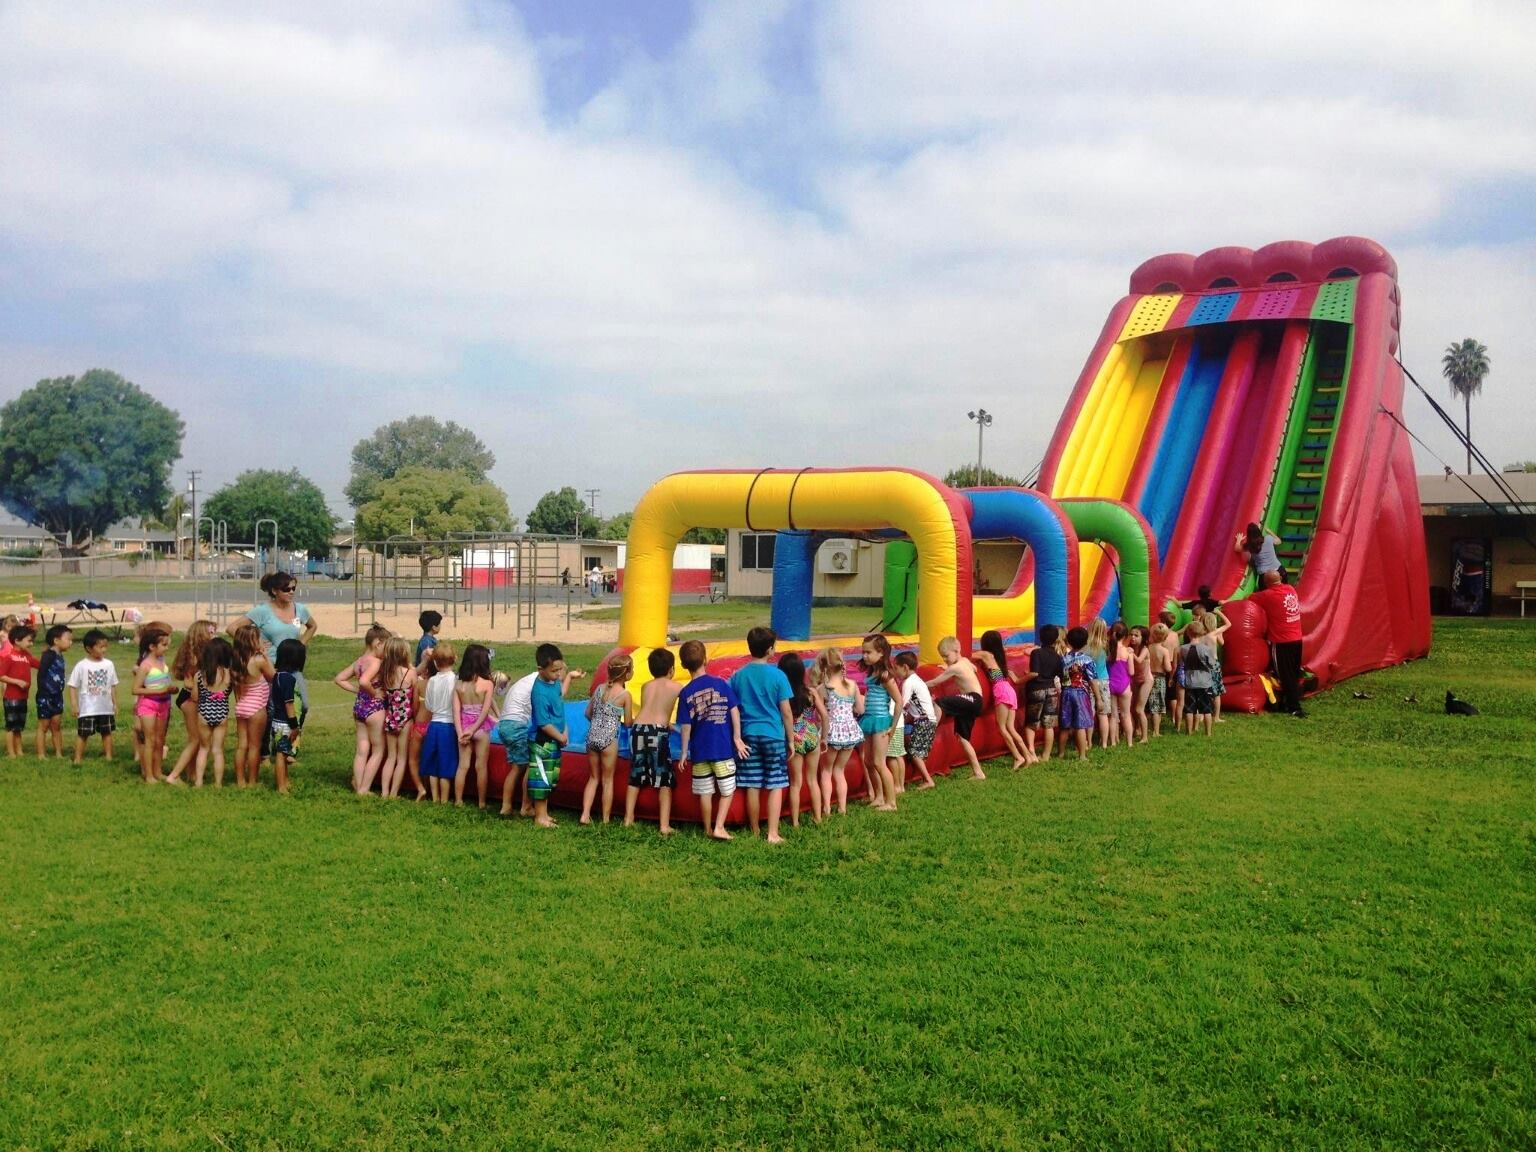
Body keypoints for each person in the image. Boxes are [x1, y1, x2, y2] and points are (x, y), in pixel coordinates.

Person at [730, 626, 795, 840]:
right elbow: (786, 711)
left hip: (748, 734)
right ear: (770, 650)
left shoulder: (739, 676)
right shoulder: (778, 676)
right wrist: (791, 740)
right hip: (773, 734)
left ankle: (755, 830)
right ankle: (773, 833)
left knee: (752, 782)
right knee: (776, 782)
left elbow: (733, 705)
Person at [677, 640, 745, 841]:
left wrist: (683, 753)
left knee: (705, 792)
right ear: (706, 660)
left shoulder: (686, 692)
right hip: (722, 748)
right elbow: (734, 712)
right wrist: (737, 737)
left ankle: (707, 828)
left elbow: (686, 727)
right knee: (727, 790)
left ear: (683, 665)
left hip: (700, 751)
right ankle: (719, 826)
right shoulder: (720, 684)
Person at [624, 648, 683, 834]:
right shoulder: (677, 686)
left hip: (638, 729)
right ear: (671, 670)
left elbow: (652, 708)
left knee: (636, 774)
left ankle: (628, 818)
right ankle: (664, 825)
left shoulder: (646, 686)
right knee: (664, 778)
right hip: (657, 732)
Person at [528, 643, 582, 828]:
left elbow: (561, 692)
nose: (558, 674)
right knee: (541, 777)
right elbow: (543, 723)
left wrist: (569, 677)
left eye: (560, 669)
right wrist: (561, 737)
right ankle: (539, 817)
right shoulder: (539, 691)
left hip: (556, 739)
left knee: (550, 777)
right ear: (540, 669)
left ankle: (544, 813)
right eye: (554, 671)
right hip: (543, 742)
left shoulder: (552, 682)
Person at [336, 624, 390, 796]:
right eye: (385, 647)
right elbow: (364, 682)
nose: (386, 652)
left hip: (359, 707)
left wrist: (358, 691)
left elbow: (339, 679)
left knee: (361, 750)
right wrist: (375, 694)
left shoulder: (359, 661)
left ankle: (358, 785)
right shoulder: (376, 662)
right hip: (374, 709)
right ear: (377, 643)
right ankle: (364, 789)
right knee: (378, 750)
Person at [582, 654, 633, 825]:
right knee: (607, 780)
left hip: (592, 736)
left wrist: (598, 723)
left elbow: (587, 713)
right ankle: (605, 819)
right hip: (609, 739)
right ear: (627, 674)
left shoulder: (599, 689)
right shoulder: (625, 695)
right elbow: (627, 724)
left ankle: (585, 815)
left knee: (593, 778)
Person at [777, 652, 827, 826]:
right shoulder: (811, 692)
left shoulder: (783, 694)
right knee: (813, 781)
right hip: (812, 734)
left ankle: (795, 822)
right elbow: (825, 716)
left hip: (795, 737)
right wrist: (824, 738)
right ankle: (817, 818)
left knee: (796, 783)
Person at [854, 633, 902, 810]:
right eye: (863, 652)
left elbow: (899, 701)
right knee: (868, 762)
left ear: (881, 653)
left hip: (881, 722)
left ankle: (891, 802)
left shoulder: (885, 675)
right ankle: (879, 796)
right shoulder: (873, 671)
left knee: (879, 763)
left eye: (868, 652)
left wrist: (893, 726)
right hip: (870, 720)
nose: (864, 656)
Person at [165, 621, 216, 786]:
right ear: (202, 635)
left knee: (197, 739)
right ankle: (173, 775)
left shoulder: (197, 653)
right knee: (195, 740)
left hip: (190, 698)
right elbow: (188, 683)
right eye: (211, 632)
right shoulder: (195, 658)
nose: (214, 635)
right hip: (190, 699)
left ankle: (191, 774)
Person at [929, 637, 987, 780]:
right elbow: (973, 668)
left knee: (939, 702)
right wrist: (949, 668)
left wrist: (916, 684)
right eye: (942, 657)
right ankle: (978, 772)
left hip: (972, 699)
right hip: (974, 701)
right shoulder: (965, 662)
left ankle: (930, 731)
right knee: (962, 738)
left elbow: (935, 682)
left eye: (946, 656)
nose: (944, 659)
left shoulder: (956, 668)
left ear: (956, 651)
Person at [1249, 569, 1305, 717]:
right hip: (1297, 638)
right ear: (1280, 578)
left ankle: (1294, 707)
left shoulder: (1267, 595)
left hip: (1282, 641)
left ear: (1266, 583)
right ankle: (1291, 700)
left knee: (1284, 674)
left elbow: (1249, 599)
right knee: (1292, 672)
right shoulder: (1290, 589)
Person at [977, 630, 1033, 770]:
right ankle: (1028, 756)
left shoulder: (986, 654)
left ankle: (1018, 757)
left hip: (1001, 690)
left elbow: (965, 655)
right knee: (1010, 728)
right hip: (1009, 690)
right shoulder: (999, 657)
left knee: (1002, 728)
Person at [816, 647, 862, 816]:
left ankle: (827, 807)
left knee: (826, 771)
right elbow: (860, 709)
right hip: (850, 732)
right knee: (839, 770)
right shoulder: (852, 685)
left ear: (825, 666)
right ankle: (842, 808)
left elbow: (820, 715)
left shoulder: (824, 688)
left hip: (832, 733)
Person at [452, 644, 497, 809]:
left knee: (462, 766)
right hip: (480, 728)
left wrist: (460, 732)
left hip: (463, 727)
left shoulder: (458, 685)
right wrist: (474, 729)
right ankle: (482, 802)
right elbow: (485, 711)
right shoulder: (487, 684)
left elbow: (456, 711)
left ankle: (458, 800)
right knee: (481, 766)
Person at [230, 623, 274, 788]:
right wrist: (266, 655)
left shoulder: (236, 661)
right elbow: (273, 677)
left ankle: (240, 781)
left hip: (241, 707)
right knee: (255, 746)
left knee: (242, 746)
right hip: (256, 709)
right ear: (251, 642)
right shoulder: (258, 660)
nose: (261, 641)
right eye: (258, 639)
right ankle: (252, 781)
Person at [233, 572, 317, 657]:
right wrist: (253, 645)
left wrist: (300, 646)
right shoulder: (262, 611)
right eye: (286, 589)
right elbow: (232, 628)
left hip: (292, 665)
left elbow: (312, 626)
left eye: (293, 588)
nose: (291, 592)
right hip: (268, 665)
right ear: (274, 591)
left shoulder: (300, 609)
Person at [416, 643, 460, 804]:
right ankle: (444, 799)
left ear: (435, 662)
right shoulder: (455, 680)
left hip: (434, 724)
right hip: (448, 725)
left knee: (433, 764)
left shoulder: (432, 681)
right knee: (446, 765)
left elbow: (429, 705)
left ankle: (434, 798)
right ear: (455, 659)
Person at [129, 626, 173, 782]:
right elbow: (136, 689)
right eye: (164, 645)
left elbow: (164, 681)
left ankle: (158, 770)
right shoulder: (145, 665)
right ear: (152, 646)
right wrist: (160, 691)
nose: (167, 648)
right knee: (150, 740)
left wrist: (169, 689)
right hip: (148, 705)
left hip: (164, 704)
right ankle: (148, 774)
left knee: (160, 740)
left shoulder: (162, 661)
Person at [375, 637, 417, 799]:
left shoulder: (385, 673)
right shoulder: (410, 673)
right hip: (406, 718)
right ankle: (393, 793)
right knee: (401, 759)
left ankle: (384, 792)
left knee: (390, 757)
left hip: (390, 717)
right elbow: (414, 701)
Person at [68, 628, 118, 765]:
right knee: (83, 733)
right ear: (89, 648)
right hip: (87, 708)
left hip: (105, 707)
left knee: (107, 732)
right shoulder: (82, 665)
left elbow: (112, 685)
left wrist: (115, 703)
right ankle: (77, 758)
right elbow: (72, 685)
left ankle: (108, 756)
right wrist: (74, 704)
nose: (104, 650)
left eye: (105, 646)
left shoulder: (109, 664)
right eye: (101, 647)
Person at [194, 637, 236, 786]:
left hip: (203, 714)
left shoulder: (200, 675)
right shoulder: (229, 674)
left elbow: (194, 696)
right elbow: (230, 691)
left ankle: (198, 782)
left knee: (204, 748)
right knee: (218, 750)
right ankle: (218, 784)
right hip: (222, 713)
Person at [893, 650, 937, 790]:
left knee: (914, 752)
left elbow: (902, 703)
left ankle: (928, 780)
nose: (895, 672)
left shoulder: (908, 683)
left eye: (896, 668)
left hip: (923, 721)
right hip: (929, 720)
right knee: (919, 751)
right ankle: (924, 777)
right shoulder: (918, 679)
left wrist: (896, 721)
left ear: (905, 667)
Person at [269, 639, 307, 794]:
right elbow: (289, 704)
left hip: (276, 720)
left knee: (283, 754)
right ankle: (281, 786)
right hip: (285, 723)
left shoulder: (277, 675)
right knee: (281, 755)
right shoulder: (289, 679)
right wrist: (294, 725)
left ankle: (285, 780)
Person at [1022, 624, 1063, 763]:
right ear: (1056, 639)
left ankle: (1031, 752)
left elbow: (1034, 673)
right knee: (1049, 724)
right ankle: (1046, 755)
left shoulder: (1036, 653)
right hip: (1051, 690)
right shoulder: (1057, 656)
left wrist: (1019, 679)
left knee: (1031, 723)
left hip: (1037, 689)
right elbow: (1058, 674)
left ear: (1040, 637)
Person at [1059, 626, 1097, 762]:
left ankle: (1061, 753)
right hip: (1081, 693)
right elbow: (1092, 680)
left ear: (1068, 642)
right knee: (1080, 725)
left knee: (1065, 724)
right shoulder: (1087, 660)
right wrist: (1099, 698)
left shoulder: (1063, 659)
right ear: (1086, 642)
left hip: (1066, 692)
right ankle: (1082, 755)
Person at [2, 623, 40, 758]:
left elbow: (39, 664)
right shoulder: (9, 656)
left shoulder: (26, 656)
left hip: (23, 697)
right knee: (11, 726)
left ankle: (20, 751)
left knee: (19, 726)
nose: (31, 644)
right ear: (17, 641)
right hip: (11, 697)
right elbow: (1, 675)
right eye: (29, 641)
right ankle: (11, 753)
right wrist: (17, 682)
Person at [34, 624, 71, 758]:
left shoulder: (60, 655)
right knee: (43, 726)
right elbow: (41, 674)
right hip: (45, 696)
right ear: (56, 640)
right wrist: (44, 693)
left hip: (57, 696)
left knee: (56, 725)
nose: (70, 642)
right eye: (68, 639)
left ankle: (59, 753)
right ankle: (41, 754)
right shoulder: (48, 655)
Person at [1180, 619, 1216, 737]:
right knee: (1206, 709)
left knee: (1189, 709)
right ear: (1202, 633)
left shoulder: (1183, 649)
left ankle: (1188, 732)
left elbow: (1183, 663)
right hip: (1204, 681)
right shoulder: (1206, 649)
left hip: (1189, 681)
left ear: (1188, 633)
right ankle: (1208, 733)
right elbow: (1212, 664)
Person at [1200, 608, 1232, 723]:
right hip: (1213, 665)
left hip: (1202, 665)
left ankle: (1202, 715)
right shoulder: (1214, 633)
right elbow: (1229, 624)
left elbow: (1222, 642)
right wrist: (1218, 613)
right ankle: (1216, 716)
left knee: (1203, 690)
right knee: (1216, 692)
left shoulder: (1199, 635)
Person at [1084, 619, 1112, 748]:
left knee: (1090, 713)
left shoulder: (1086, 647)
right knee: (1103, 714)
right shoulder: (1106, 646)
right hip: (1104, 681)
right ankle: (1105, 742)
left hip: (1090, 682)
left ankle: (1089, 742)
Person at [1106, 621, 1134, 748]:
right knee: (1126, 715)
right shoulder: (1128, 652)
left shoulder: (1107, 651)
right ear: (1125, 636)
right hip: (1124, 684)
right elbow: (1132, 672)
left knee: (1113, 716)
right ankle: (1129, 742)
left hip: (1111, 684)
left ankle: (1112, 742)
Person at [1158, 609, 1184, 730]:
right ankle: (1174, 716)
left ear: (1162, 622)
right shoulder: (1174, 635)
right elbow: (1177, 650)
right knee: (1172, 694)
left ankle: (1159, 715)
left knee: (1161, 691)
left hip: (1162, 664)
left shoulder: (1161, 635)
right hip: (1173, 664)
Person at [1146, 623, 1173, 738]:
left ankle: (1144, 728)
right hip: (1159, 678)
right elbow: (1167, 668)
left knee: (1148, 703)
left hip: (1148, 676)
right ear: (1166, 637)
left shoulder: (1148, 648)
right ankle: (1156, 731)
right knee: (1157, 706)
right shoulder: (1164, 651)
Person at [1129, 626, 1152, 744]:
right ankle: (1136, 730)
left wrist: (1131, 653)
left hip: (1146, 681)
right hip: (1135, 680)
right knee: (1133, 709)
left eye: (1136, 635)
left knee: (1139, 709)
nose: (1132, 637)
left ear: (1143, 638)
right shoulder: (1131, 648)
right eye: (1131, 634)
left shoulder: (1145, 649)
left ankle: (1145, 737)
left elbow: (1138, 660)